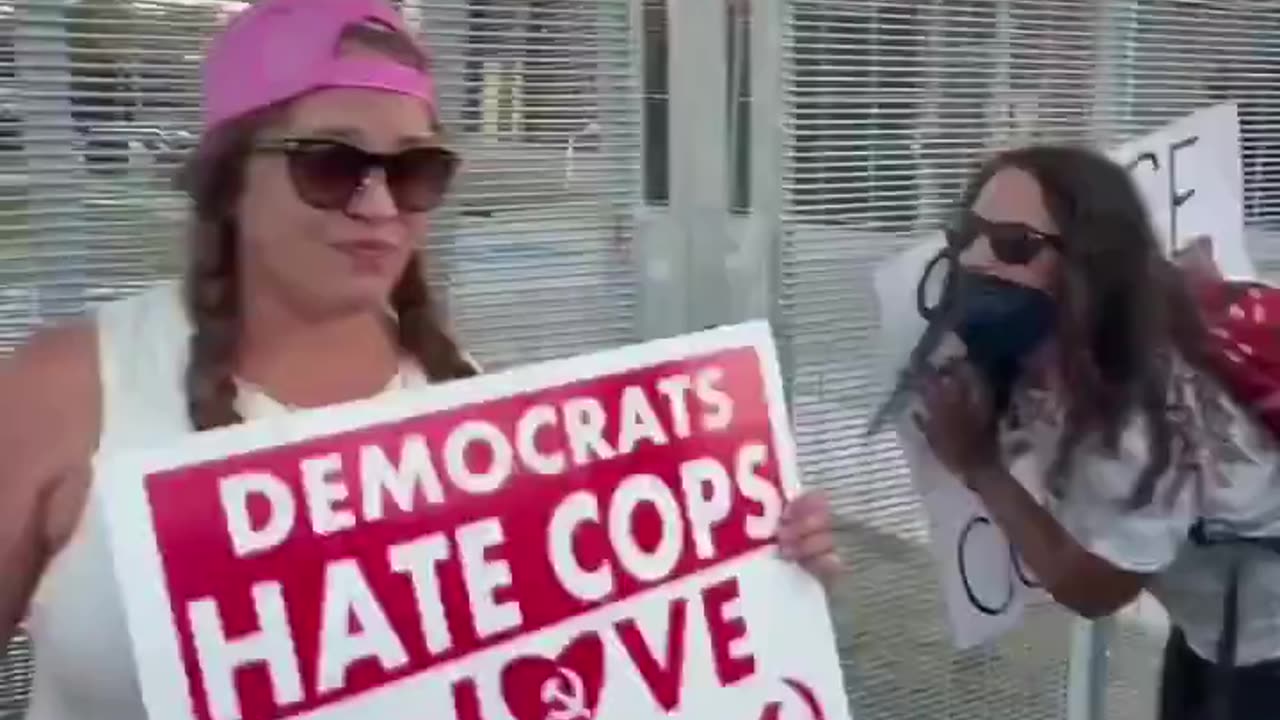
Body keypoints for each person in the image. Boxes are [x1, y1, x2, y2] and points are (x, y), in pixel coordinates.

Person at [0, 1, 840, 718]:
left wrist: (756, 563)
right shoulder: (71, 388)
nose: (377, 206)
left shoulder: (475, 409)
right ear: (226, 181)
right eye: (329, 165)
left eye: (417, 171)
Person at [902, 145, 1280, 720]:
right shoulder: (1103, 331)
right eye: (966, 232)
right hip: (1221, 626)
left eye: (1014, 244)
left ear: (1086, 265)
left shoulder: (1138, 417)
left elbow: (1094, 589)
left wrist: (979, 465)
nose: (974, 257)